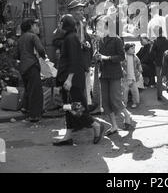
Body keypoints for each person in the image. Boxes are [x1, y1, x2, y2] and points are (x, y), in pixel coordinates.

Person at [54, 15, 105, 145]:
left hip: (72, 80)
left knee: (76, 107)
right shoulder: (69, 38)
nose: (59, 25)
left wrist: (69, 79)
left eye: (61, 22)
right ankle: (68, 135)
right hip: (68, 80)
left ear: (65, 24)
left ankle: (95, 125)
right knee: (68, 107)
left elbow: (74, 60)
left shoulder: (71, 39)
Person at [95, 15, 132, 136]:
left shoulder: (116, 39)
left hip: (115, 73)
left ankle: (127, 115)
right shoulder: (99, 39)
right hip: (103, 73)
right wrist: (97, 56)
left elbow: (121, 57)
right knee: (105, 102)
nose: (98, 27)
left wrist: (106, 58)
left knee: (115, 99)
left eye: (100, 25)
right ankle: (114, 126)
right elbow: (98, 54)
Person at [16, 19, 46, 122]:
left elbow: (17, 55)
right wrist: (44, 57)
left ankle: (26, 109)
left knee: (29, 89)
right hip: (32, 66)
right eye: (35, 25)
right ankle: (34, 115)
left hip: (23, 68)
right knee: (35, 91)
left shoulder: (20, 39)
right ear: (30, 26)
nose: (37, 27)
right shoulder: (33, 36)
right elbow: (41, 49)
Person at [150, 26, 168, 100]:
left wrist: (154, 59)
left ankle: (159, 95)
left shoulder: (155, 42)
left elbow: (151, 53)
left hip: (158, 62)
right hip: (167, 61)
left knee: (159, 79)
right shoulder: (166, 40)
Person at [121, 43, 142, 108]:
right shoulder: (123, 57)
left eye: (134, 48)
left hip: (133, 77)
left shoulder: (135, 57)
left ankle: (136, 102)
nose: (134, 50)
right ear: (127, 50)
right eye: (132, 48)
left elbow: (138, 63)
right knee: (125, 91)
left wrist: (140, 68)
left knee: (135, 91)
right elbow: (120, 65)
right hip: (125, 78)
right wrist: (122, 70)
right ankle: (124, 103)